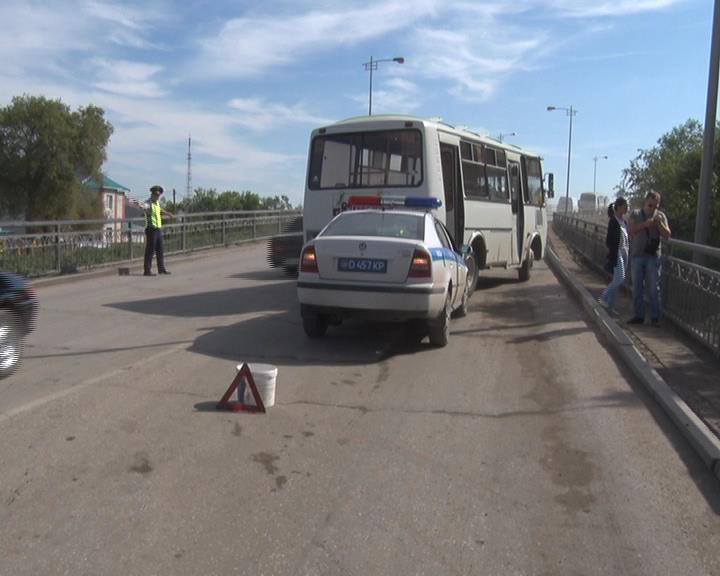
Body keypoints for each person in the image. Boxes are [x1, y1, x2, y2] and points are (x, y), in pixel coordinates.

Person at [627, 191, 671, 325]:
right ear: (646, 202)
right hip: (637, 255)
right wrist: (645, 225)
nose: (653, 208)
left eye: (655, 206)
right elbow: (630, 230)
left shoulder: (660, 216)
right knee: (637, 287)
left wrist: (659, 224)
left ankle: (655, 317)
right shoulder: (636, 214)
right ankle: (639, 316)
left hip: (653, 256)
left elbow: (667, 235)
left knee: (653, 288)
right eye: (651, 205)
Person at [598, 197, 629, 314]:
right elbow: (608, 241)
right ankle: (604, 297)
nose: (627, 208)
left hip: (626, 251)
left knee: (617, 279)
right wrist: (614, 251)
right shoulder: (613, 221)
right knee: (620, 278)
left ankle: (610, 306)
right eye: (625, 206)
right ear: (620, 206)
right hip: (618, 253)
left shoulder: (624, 222)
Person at [143, 185, 173, 276]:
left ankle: (161, 269)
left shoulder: (157, 203)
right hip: (151, 229)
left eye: (158, 195)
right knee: (150, 251)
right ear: (152, 194)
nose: (157, 197)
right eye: (156, 195)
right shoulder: (148, 203)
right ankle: (147, 270)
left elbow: (160, 210)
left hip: (158, 229)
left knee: (160, 250)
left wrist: (167, 213)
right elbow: (142, 207)